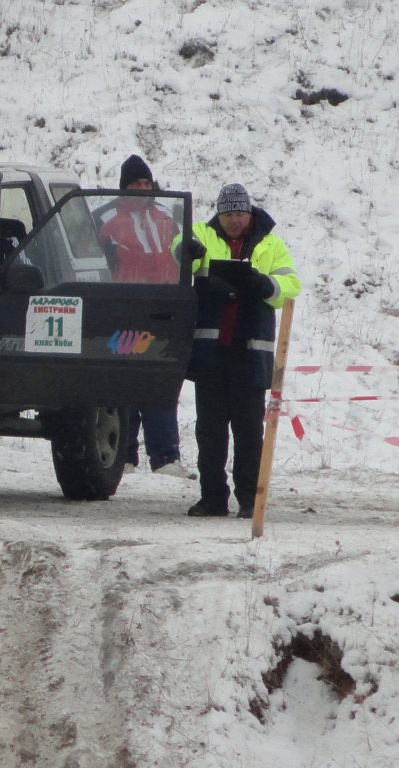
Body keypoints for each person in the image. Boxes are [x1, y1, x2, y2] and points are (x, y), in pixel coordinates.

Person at [184, 183, 301, 518]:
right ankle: (212, 498)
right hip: (211, 352)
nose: (233, 220)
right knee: (210, 431)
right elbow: (179, 249)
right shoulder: (202, 235)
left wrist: (264, 284)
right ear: (219, 214)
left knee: (249, 430)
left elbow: (291, 286)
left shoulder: (271, 243)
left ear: (249, 213)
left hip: (249, 352)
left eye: (239, 213)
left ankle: (250, 499)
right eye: (227, 214)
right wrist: (186, 251)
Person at [99, 155, 194, 479]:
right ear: (124, 187)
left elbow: (181, 253)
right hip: (123, 310)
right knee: (123, 381)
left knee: (160, 380)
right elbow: (92, 260)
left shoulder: (167, 215)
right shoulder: (105, 217)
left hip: (162, 310)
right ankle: (123, 454)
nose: (142, 188)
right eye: (135, 184)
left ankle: (166, 457)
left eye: (146, 183)